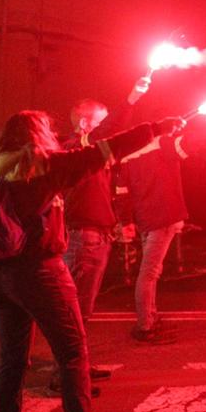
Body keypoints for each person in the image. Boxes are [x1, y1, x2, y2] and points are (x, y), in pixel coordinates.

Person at [0, 109, 181, 412]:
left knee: (11, 362)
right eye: (48, 128)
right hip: (38, 272)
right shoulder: (44, 165)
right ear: (39, 134)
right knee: (72, 355)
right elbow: (107, 149)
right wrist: (156, 128)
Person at [48, 74, 149, 394]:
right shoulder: (76, 148)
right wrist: (132, 98)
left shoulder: (93, 153)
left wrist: (120, 220)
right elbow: (112, 132)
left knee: (82, 309)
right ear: (85, 126)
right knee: (74, 309)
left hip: (96, 235)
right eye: (101, 124)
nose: (108, 130)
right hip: (83, 237)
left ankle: (77, 366)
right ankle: (64, 376)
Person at [119, 117, 195, 343]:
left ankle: (150, 317)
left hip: (146, 218)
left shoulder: (127, 154)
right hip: (164, 217)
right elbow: (188, 146)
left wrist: (126, 221)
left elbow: (122, 192)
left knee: (151, 271)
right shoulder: (162, 144)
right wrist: (198, 126)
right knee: (149, 273)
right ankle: (145, 326)